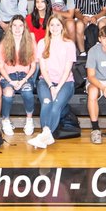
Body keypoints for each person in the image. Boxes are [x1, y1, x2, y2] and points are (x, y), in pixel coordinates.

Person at [27, 15, 77, 149]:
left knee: (55, 105)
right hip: (46, 81)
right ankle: (46, 135)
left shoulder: (69, 44)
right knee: (46, 102)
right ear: (48, 27)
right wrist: (50, 86)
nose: (55, 28)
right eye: (52, 25)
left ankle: (44, 135)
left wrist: (57, 88)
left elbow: (67, 70)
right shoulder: (42, 43)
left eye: (58, 25)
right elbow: (42, 69)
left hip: (65, 82)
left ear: (62, 27)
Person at [0, 15, 38, 136]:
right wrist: (11, 81)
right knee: (8, 92)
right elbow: (1, 67)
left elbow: (33, 67)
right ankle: (5, 120)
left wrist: (24, 80)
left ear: (24, 27)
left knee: (28, 91)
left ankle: (29, 120)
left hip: (25, 76)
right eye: (14, 25)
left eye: (20, 25)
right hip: (8, 76)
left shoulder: (30, 43)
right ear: (10, 27)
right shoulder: (4, 43)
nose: (17, 28)